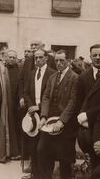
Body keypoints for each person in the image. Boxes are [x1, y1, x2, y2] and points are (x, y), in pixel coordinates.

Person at [37, 50, 78, 179]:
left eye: (62, 60)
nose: (59, 63)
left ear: (68, 61)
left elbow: (73, 101)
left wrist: (62, 121)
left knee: (64, 157)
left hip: (66, 123)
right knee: (42, 151)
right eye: (56, 61)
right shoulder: (52, 77)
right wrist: (43, 116)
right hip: (49, 123)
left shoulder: (75, 78)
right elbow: (46, 97)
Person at [22, 49, 56, 179]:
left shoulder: (52, 74)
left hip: (46, 114)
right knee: (33, 145)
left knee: (44, 147)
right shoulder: (31, 74)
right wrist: (31, 106)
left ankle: (45, 175)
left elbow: (53, 97)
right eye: (35, 58)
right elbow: (25, 92)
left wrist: (39, 107)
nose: (37, 60)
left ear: (46, 58)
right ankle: (34, 174)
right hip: (33, 114)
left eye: (40, 57)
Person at [76, 44, 100, 164]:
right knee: (91, 155)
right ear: (90, 57)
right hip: (87, 125)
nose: (98, 58)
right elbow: (79, 100)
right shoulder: (83, 77)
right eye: (95, 55)